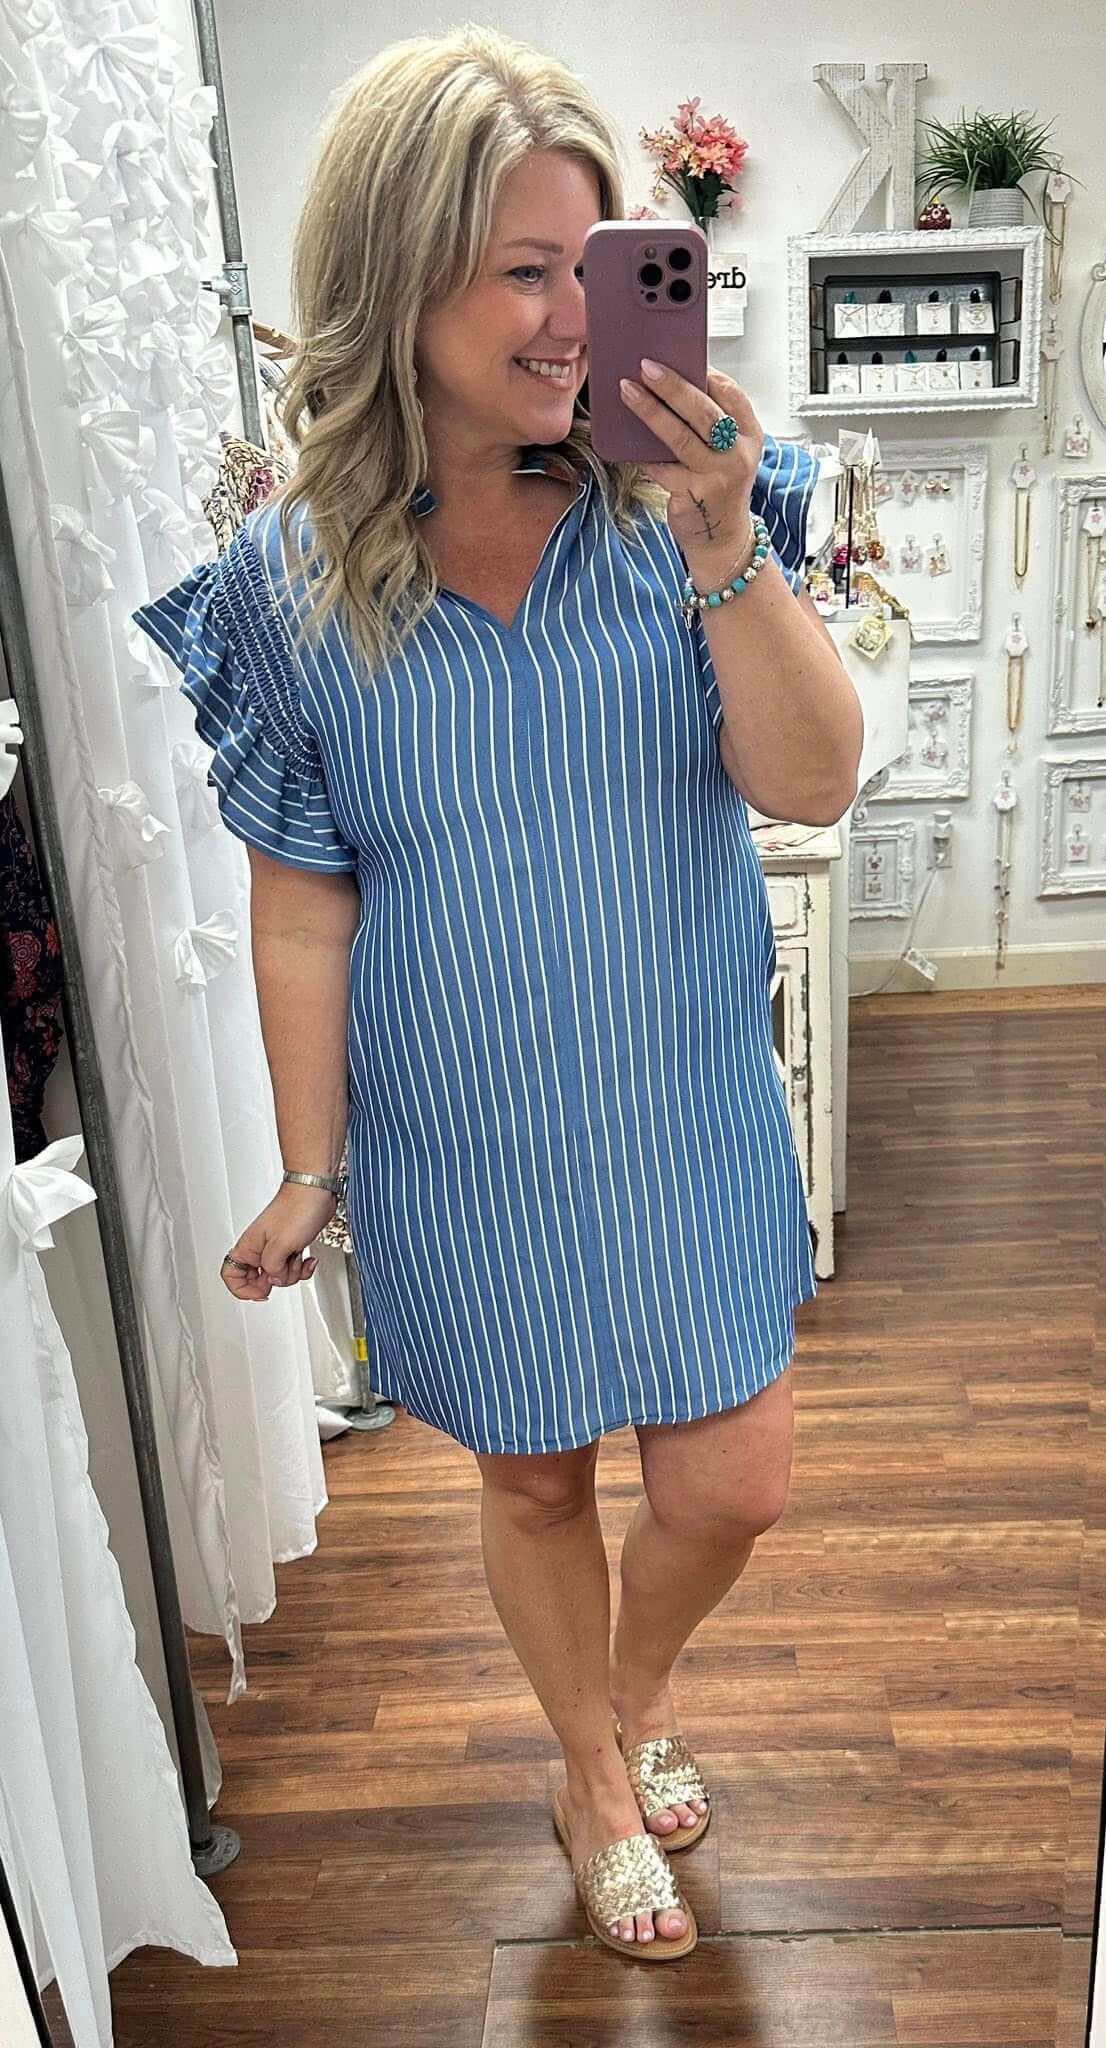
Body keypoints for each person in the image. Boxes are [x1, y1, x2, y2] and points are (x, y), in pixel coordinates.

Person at [133, 24, 862, 1963]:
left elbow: (811, 778)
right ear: (396, 284)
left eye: (589, 259)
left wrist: (724, 552)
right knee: (533, 1475)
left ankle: (613, 1704)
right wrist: (306, 1165)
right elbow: (302, 900)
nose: (568, 317)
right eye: (520, 270)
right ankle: (593, 1764)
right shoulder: (289, 590)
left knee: (736, 1480)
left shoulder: (692, 506)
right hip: (459, 1133)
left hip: (684, 1099)